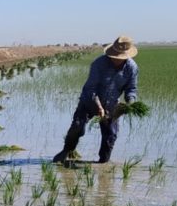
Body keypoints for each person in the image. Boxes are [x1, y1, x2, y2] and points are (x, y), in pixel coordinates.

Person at [53, 35, 139, 164]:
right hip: (89, 102)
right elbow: (90, 88)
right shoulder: (99, 63)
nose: (116, 60)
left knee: (110, 136)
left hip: (111, 106)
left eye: (120, 58)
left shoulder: (131, 67)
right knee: (77, 126)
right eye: (115, 57)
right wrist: (98, 106)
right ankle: (67, 150)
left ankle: (103, 164)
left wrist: (130, 104)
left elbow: (131, 89)